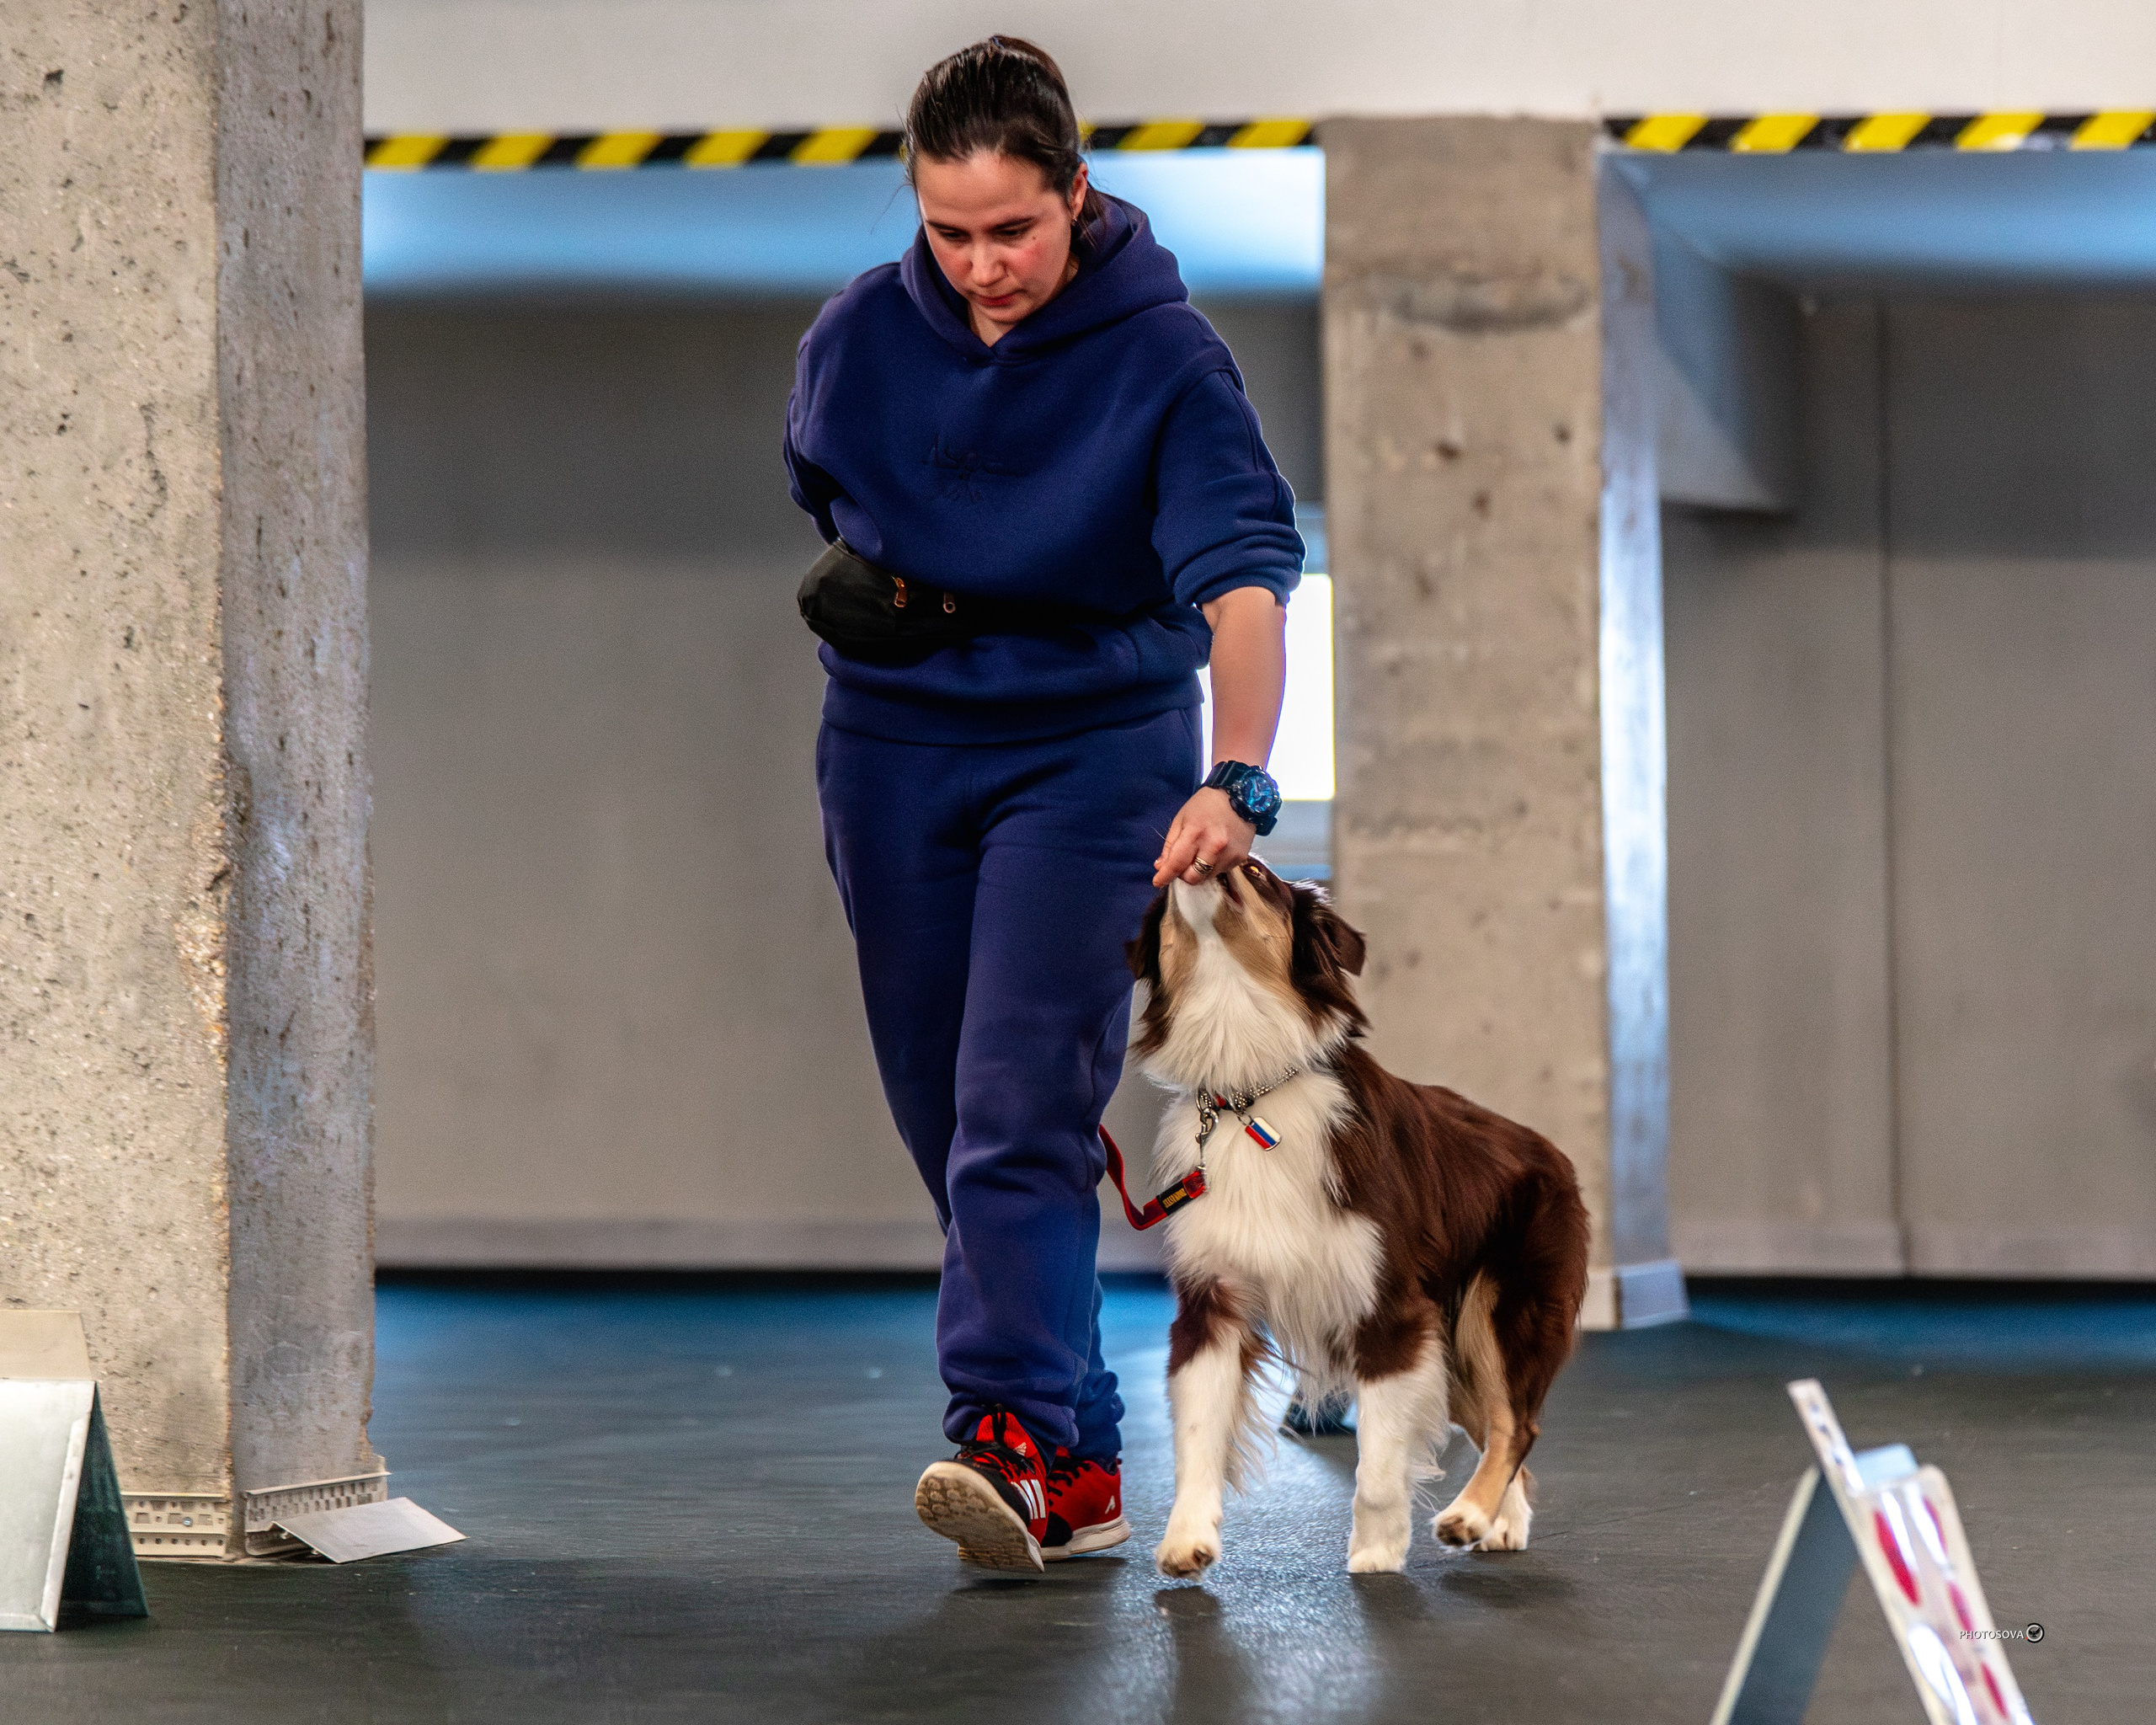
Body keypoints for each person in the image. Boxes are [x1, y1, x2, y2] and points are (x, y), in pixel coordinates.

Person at [784, 35, 1301, 1572]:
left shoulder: (1168, 361)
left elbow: (1246, 590)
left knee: (1022, 1094)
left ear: (1077, 193)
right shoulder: (856, 338)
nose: (983, 265)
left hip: (1095, 757)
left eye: (1013, 228)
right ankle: (1076, 1454)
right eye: (950, 233)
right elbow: (834, 501)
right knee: (946, 1116)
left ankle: (1005, 1430)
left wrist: (1237, 776)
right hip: (889, 746)